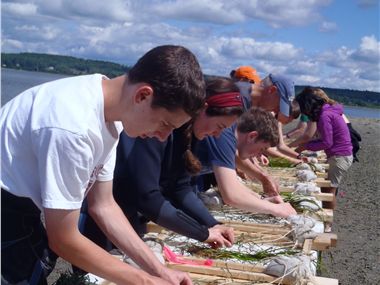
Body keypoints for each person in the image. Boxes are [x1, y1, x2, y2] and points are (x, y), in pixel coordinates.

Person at [1, 45, 206, 285]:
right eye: (165, 124)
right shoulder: (73, 126)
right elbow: (64, 239)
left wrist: (158, 271)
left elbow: (103, 205)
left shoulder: (109, 113)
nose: (163, 137)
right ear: (142, 95)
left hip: (20, 209)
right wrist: (145, 282)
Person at [82, 78, 242, 252]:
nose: (217, 135)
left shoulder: (188, 133)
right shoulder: (159, 128)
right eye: (219, 126)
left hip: (131, 216)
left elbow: (180, 189)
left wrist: (213, 224)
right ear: (203, 108)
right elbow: (146, 197)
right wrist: (202, 233)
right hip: (104, 214)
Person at [195, 107, 297, 218]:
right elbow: (231, 195)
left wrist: (261, 199)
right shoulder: (224, 136)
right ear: (252, 136)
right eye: (262, 149)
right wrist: (276, 209)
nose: (259, 155)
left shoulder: (231, 136)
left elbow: (234, 182)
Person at [295, 87, 353, 212]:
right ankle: (327, 219)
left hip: (339, 156)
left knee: (329, 190)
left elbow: (327, 142)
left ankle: (327, 223)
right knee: (328, 188)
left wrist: (306, 146)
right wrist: (308, 144)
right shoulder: (329, 111)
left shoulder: (324, 115)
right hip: (341, 154)